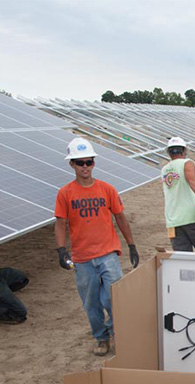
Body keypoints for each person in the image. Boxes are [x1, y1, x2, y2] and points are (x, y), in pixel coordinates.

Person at [54, 137, 139, 356]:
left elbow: (120, 217)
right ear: (71, 164)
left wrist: (131, 245)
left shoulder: (107, 189)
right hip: (82, 258)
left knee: (112, 298)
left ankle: (117, 332)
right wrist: (61, 250)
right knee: (91, 303)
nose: (85, 167)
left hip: (107, 253)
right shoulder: (65, 193)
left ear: (94, 163)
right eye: (80, 162)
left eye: (89, 162)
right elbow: (61, 223)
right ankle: (101, 338)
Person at [161, 137, 195, 252]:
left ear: (169, 152)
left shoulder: (165, 169)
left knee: (183, 257)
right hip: (191, 217)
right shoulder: (187, 163)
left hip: (173, 220)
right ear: (185, 150)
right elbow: (191, 180)